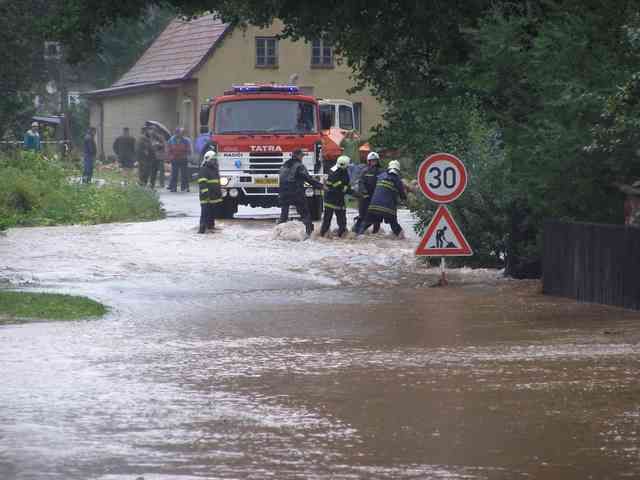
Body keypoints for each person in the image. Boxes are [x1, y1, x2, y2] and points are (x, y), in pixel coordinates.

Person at [279, 148, 323, 236]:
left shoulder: (284, 165)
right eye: (302, 156)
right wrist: (321, 186)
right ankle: (310, 233)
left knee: (284, 215)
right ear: (298, 156)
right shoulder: (299, 166)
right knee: (305, 213)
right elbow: (308, 179)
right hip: (296, 192)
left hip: (283, 192)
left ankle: (279, 233)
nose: (302, 158)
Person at [356, 160, 407, 237]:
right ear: (398, 170)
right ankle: (402, 238)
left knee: (365, 224)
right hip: (388, 208)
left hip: (373, 206)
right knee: (394, 226)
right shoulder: (397, 180)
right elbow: (403, 196)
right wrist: (403, 201)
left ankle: (355, 236)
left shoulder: (380, 176)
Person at [320, 155, 352, 237]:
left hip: (332, 197)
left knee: (330, 219)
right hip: (334, 198)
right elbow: (339, 187)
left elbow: (344, 185)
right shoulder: (337, 173)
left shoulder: (337, 169)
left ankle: (324, 235)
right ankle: (340, 235)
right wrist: (353, 192)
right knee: (337, 219)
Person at [353, 151, 383, 233]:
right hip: (364, 198)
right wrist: (364, 192)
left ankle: (375, 234)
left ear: (378, 161)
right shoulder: (364, 171)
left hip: (376, 198)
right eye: (372, 160)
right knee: (362, 216)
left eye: (375, 160)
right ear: (368, 161)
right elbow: (361, 182)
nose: (374, 162)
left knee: (377, 218)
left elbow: (383, 184)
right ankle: (356, 232)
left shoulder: (381, 172)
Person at [197, 150, 222, 233]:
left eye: (215, 160)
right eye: (213, 160)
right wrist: (206, 195)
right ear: (208, 159)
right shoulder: (204, 170)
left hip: (214, 198)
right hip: (206, 198)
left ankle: (210, 228)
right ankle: (202, 229)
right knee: (205, 213)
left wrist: (219, 195)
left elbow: (217, 184)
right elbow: (202, 184)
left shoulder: (215, 170)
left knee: (212, 214)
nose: (214, 161)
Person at [167, 127, 192, 192]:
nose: (179, 134)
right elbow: (169, 149)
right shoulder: (171, 140)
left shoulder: (186, 140)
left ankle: (184, 187)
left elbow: (189, 150)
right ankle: (173, 187)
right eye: (178, 133)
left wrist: (186, 154)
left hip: (183, 159)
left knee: (184, 174)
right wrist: (170, 157)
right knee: (174, 174)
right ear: (176, 133)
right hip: (174, 159)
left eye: (180, 133)